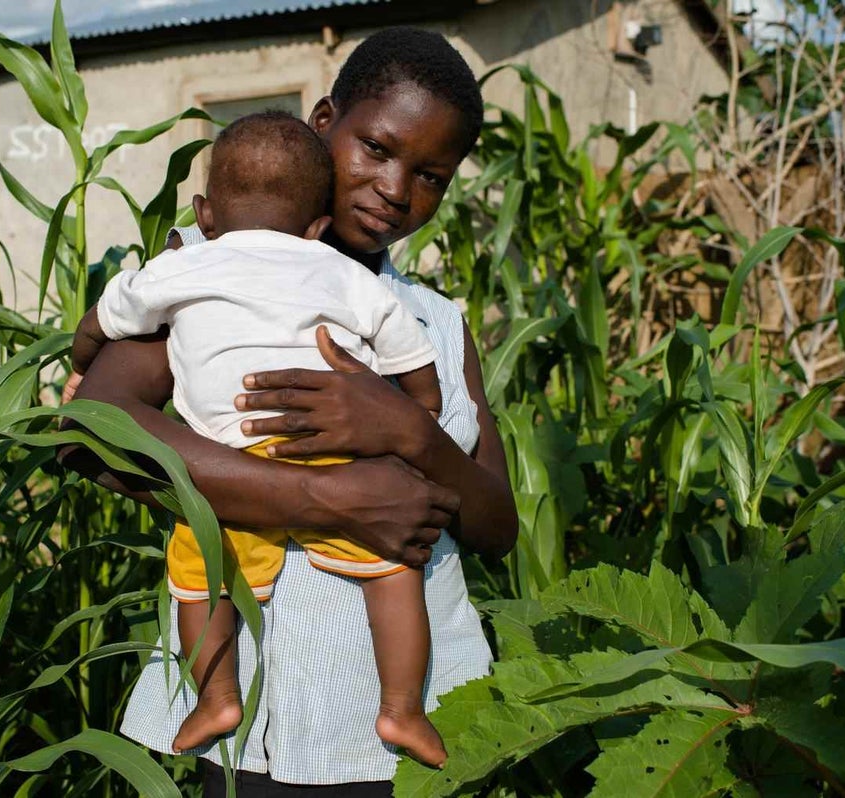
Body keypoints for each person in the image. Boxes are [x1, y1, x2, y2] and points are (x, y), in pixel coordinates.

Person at [64, 26, 517, 796]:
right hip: (256, 727)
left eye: (431, 176)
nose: (396, 189)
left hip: (427, 722)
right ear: (322, 122)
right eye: (375, 147)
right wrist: (329, 498)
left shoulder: (435, 324)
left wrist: (405, 430)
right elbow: (94, 433)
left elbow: (495, 528)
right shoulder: (207, 280)